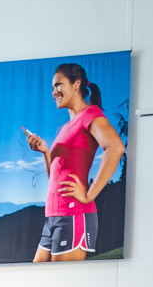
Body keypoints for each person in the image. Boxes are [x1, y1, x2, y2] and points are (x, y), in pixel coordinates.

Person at [24, 63, 125, 262]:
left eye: (58, 85)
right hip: (53, 216)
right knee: (36, 284)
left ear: (76, 84)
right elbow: (56, 179)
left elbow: (116, 147)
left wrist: (89, 194)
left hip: (74, 214)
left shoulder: (90, 114)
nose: (54, 92)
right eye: (52, 88)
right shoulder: (65, 127)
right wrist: (46, 152)